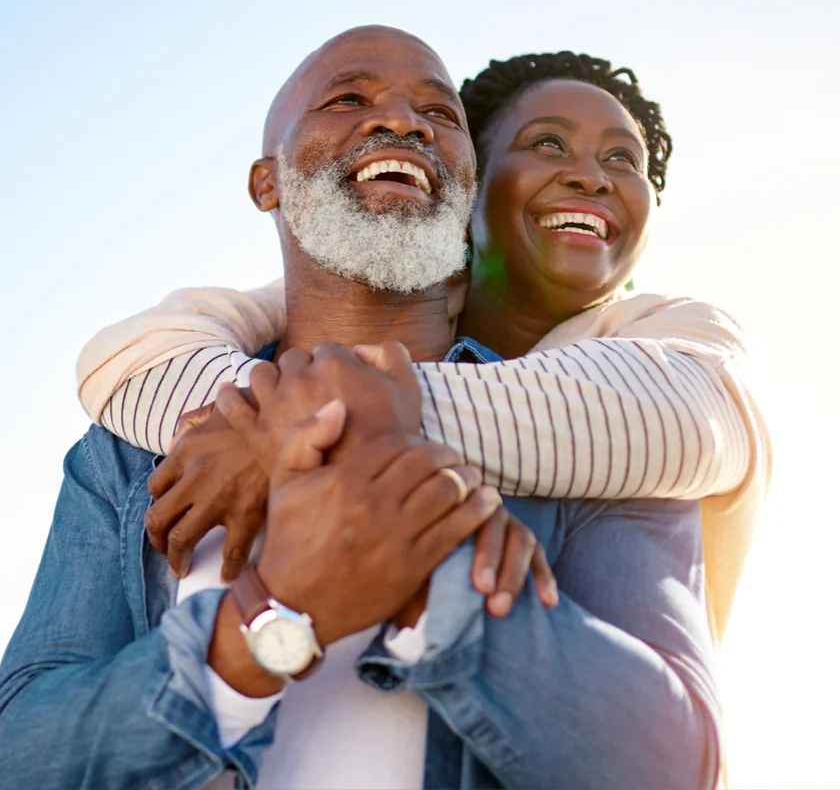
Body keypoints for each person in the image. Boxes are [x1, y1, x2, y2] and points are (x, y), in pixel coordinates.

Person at [1, 26, 728, 789]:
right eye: (348, 98)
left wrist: (438, 579)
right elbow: (20, 755)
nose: (404, 122)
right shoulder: (127, 450)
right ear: (267, 183)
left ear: (469, 188)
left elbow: (674, 766)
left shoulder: (601, 434)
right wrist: (273, 615)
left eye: (439, 114)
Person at [78, 51, 769, 643]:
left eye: (623, 159)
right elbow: (133, 355)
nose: (592, 176)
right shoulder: (366, 317)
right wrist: (291, 415)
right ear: (464, 188)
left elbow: (682, 422)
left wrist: (305, 426)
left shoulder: (673, 333)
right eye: (548, 144)